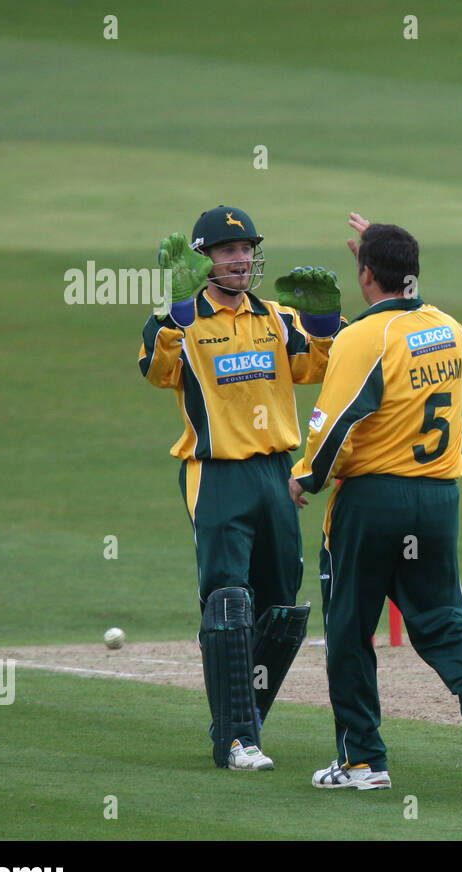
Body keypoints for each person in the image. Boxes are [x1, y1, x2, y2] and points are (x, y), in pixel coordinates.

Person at [289, 214, 462, 792]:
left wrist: (306, 478)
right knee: (441, 620)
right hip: (438, 500)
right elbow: (407, 307)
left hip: (373, 501)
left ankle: (364, 762)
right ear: (413, 273)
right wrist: (383, 251)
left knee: (348, 628)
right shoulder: (449, 328)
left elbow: (335, 422)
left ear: (364, 274)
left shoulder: (360, 337)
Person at [139, 205, 344, 770]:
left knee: (280, 607)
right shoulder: (182, 317)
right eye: (229, 251)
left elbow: (320, 367)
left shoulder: (276, 317)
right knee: (229, 598)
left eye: (247, 248)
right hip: (217, 471)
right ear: (203, 261)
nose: (242, 259)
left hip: (275, 473)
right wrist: (176, 312)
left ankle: (241, 722)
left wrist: (327, 321)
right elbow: (157, 371)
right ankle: (234, 738)